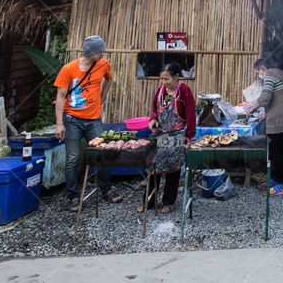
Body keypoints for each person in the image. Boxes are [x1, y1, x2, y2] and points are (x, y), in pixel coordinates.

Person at [54, 35, 123, 211]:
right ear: (92, 52)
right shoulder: (68, 69)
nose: (103, 53)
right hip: (72, 120)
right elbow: (61, 96)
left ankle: (106, 189)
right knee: (73, 158)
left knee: (103, 154)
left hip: (94, 119)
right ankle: (74, 196)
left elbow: (109, 79)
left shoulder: (103, 65)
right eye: (100, 51)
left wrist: (102, 97)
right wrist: (59, 124)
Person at [140, 63, 196, 214]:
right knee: (153, 167)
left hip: (176, 135)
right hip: (159, 134)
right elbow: (154, 109)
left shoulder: (184, 91)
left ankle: (168, 202)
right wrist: (153, 119)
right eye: (161, 79)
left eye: (167, 79)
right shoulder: (160, 91)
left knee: (172, 169)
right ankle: (149, 201)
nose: (163, 82)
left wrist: (188, 138)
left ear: (176, 76)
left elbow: (191, 116)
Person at [255, 56, 283, 196]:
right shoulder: (282, 75)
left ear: (263, 68)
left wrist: (250, 108)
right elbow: (280, 98)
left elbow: (265, 98)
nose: (259, 75)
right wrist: (267, 114)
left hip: (277, 120)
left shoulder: (270, 75)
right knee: (278, 150)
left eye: (258, 72)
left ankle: (280, 185)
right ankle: (275, 181)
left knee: (276, 152)